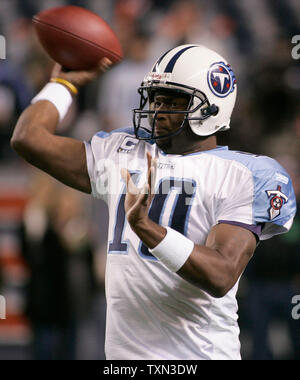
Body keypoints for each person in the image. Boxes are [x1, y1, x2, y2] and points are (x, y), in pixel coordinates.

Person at [11, 44, 296, 360]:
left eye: (173, 101)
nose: (158, 110)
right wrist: (63, 85)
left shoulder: (245, 174)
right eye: (156, 98)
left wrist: (148, 230)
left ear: (211, 106)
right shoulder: (124, 151)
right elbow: (28, 138)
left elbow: (221, 275)